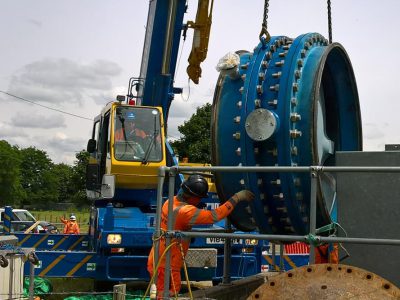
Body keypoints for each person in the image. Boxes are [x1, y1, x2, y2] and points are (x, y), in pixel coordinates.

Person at [147, 174, 255, 298]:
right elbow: (213, 216)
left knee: (167, 294)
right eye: (199, 198)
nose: (200, 201)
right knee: (167, 295)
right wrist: (237, 198)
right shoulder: (185, 212)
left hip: (158, 258)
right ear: (193, 197)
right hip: (167, 264)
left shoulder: (170, 201)